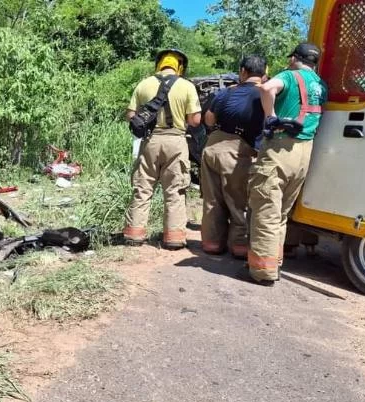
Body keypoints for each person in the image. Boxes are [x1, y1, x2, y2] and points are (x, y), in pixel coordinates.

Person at [247, 43, 328, 284]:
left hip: (281, 149)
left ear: (294, 58)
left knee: (266, 212)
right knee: (281, 214)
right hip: (305, 152)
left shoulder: (289, 76)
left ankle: (262, 271)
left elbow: (266, 88)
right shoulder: (321, 84)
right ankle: (275, 263)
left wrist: (271, 116)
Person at [123, 49, 202, 249]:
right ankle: (174, 238)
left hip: (150, 141)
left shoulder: (144, 84)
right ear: (180, 66)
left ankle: (134, 234)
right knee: (175, 190)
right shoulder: (186, 86)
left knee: (142, 188)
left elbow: (131, 115)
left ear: (159, 64)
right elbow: (195, 120)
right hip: (176, 141)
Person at [200, 55, 268, 258]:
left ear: (243, 72)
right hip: (238, 151)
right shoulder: (265, 95)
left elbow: (209, 119)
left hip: (212, 147)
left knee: (212, 199)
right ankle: (238, 245)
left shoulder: (225, 93)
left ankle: (212, 243)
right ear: (264, 74)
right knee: (238, 199)